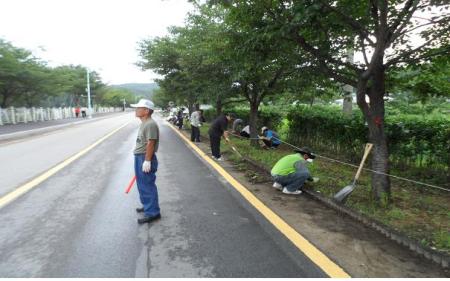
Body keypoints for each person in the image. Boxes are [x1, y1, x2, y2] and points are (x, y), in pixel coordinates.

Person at [130, 99, 161, 224]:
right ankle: (147, 205)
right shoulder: (144, 122)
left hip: (145, 157)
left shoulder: (150, 124)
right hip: (140, 157)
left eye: (139, 108)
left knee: (147, 184)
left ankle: (153, 212)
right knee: (142, 184)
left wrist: (147, 160)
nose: (136, 110)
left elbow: (151, 143)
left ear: (146, 111)